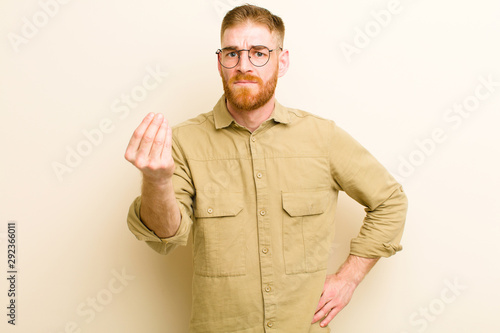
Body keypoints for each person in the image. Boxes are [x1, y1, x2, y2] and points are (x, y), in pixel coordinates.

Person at [125, 4, 407, 333]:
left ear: (281, 60)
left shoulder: (323, 137)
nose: (244, 65)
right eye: (232, 53)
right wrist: (156, 181)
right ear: (220, 63)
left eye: (259, 53)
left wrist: (349, 277)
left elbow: (390, 201)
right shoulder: (183, 142)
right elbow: (165, 238)